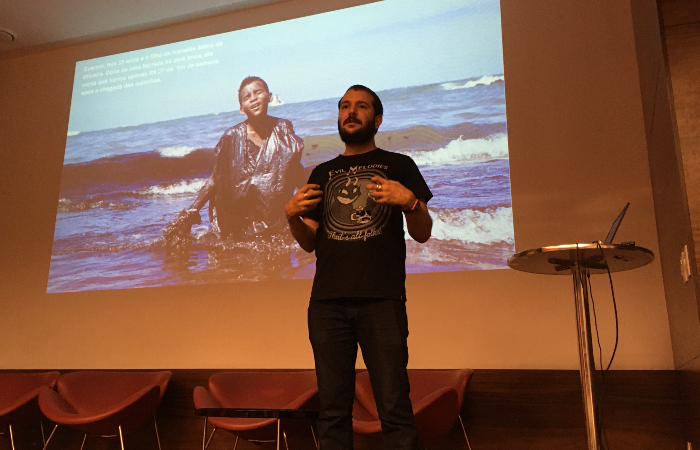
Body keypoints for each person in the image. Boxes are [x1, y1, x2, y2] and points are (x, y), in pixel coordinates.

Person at [285, 85, 433, 450]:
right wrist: (291, 218)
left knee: (394, 409)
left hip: (381, 300)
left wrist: (410, 201)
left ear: (377, 119)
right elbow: (311, 241)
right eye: (345, 107)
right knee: (332, 413)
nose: (351, 112)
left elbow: (424, 233)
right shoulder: (322, 171)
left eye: (361, 106)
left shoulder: (399, 165)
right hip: (326, 305)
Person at [164, 76, 305, 248]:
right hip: (241, 222)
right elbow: (216, 179)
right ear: (241, 108)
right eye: (247, 97)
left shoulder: (283, 128)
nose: (253, 98)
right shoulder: (232, 136)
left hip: (275, 219)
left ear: (269, 96)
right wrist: (192, 211)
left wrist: (314, 205)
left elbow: (294, 169)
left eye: (258, 92)